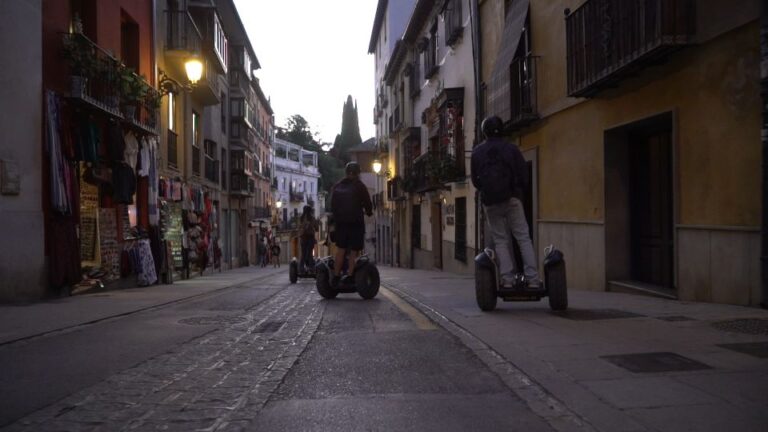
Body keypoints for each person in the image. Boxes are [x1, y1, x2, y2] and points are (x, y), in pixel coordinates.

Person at [471, 115, 540, 289]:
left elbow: (475, 181)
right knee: (523, 237)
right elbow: (524, 175)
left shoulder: (477, 152)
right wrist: (517, 192)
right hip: (512, 199)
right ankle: (532, 279)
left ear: (484, 132)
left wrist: (487, 192)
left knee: (500, 240)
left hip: (491, 203)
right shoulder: (512, 149)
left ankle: (507, 280)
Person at [330, 161, 373, 286]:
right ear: (358, 173)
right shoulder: (360, 186)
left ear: (346, 173)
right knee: (354, 250)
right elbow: (367, 203)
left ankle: (336, 276)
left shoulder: (337, 186)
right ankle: (350, 275)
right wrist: (369, 212)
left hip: (341, 224)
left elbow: (333, 206)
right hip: (356, 223)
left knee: (341, 250)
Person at [299, 205, 318, 271]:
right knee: (310, 253)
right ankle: (311, 267)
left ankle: (301, 268)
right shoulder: (312, 218)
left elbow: (299, 227)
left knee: (303, 253)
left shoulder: (301, 218)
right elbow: (316, 227)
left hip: (303, 238)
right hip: (310, 238)